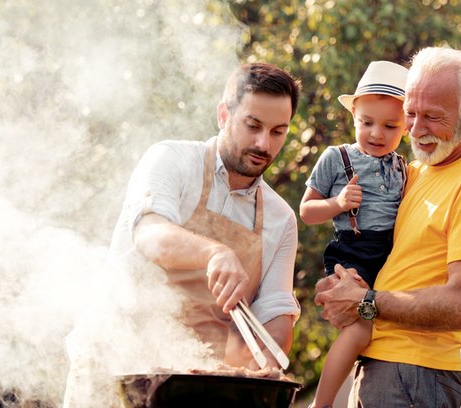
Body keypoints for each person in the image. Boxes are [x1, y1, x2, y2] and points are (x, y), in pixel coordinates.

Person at [62, 62, 302, 407]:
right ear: (224, 114)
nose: (264, 143)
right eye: (253, 125)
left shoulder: (281, 219)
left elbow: (275, 312)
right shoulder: (171, 159)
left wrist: (266, 359)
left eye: (278, 131)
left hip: (197, 383)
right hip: (115, 360)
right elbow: (149, 234)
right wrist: (215, 253)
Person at [314, 45, 461, 407]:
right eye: (410, 114)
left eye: (433, 116)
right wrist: (342, 285)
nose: (417, 130)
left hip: (416, 375)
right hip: (381, 366)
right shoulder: (416, 169)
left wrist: (366, 302)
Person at [300, 61, 409, 408]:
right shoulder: (337, 157)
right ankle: (323, 403)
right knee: (359, 330)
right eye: (367, 123)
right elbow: (306, 211)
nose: (377, 133)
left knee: (381, 327)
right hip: (352, 253)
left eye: (390, 125)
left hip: (387, 257)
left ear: (406, 126)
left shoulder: (402, 166)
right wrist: (337, 201)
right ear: (353, 119)